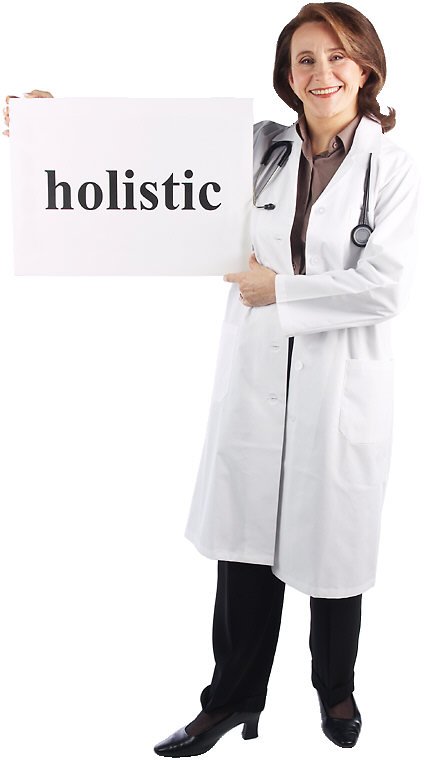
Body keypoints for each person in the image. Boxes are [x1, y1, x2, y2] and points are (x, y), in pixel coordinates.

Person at [3, 3, 420, 754]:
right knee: (245, 552)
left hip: (341, 387)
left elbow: (384, 288)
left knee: (334, 552)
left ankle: (336, 692)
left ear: (366, 67)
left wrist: (280, 291)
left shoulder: (394, 168)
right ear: (286, 74)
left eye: (337, 56)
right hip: (258, 377)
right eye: (304, 59)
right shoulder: (259, 149)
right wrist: (56, 129)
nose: (321, 73)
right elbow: (154, 151)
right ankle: (230, 702)